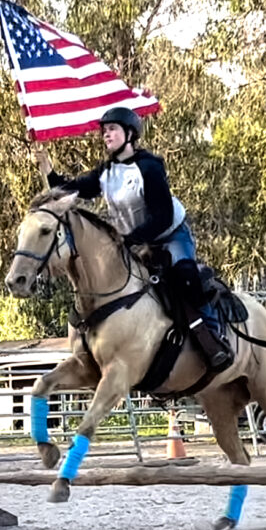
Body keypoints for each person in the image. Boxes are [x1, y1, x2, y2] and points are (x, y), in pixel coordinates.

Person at [35, 106, 233, 372]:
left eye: (112, 130)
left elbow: (162, 217)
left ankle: (212, 337)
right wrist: (48, 171)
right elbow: (74, 190)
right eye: (104, 131)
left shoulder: (149, 167)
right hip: (132, 241)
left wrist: (129, 240)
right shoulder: (106, 172)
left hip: (169, 235)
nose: (106, 135)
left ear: (129, 134)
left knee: (184, 274)